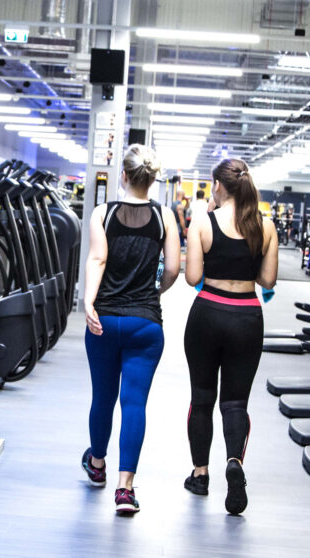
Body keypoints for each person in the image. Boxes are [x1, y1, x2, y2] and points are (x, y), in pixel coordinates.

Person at [81, 144, 181, 514]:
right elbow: (172, 268)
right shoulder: (165, 217)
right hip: (146, 323)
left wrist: (90, 302)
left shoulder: (103, 213)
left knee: (102, 398)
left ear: (123, 175)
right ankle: (125, 490)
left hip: (104, 321)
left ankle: (97, 465)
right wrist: (154, 293)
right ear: (152, 180)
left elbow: (97, 258)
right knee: (134, 402)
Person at [182, 158, 278, 515]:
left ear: (218, 186)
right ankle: (234, 461)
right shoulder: (265, 226)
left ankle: (200, 474)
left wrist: (208, 215)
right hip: (247, 317)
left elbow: (192, 278)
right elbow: (267, 281)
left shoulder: (203, 223)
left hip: (207, 314)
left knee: (202, 397)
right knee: (235, 403)